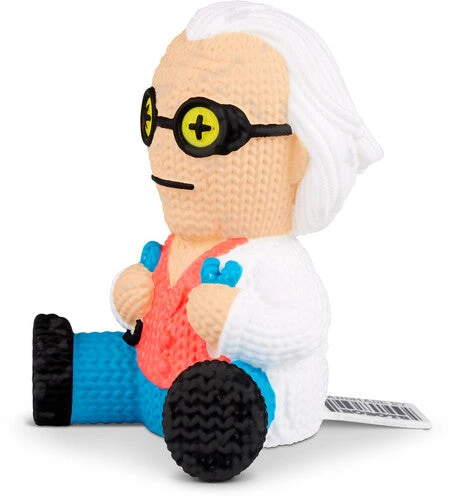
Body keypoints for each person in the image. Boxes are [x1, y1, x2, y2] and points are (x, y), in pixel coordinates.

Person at [33, 1, 383, 482]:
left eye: (201, 128)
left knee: (230, 388)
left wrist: (238, 323)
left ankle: (216, 429)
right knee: (114, 362)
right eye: (154, 118)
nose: (163, 150)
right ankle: (70, 378)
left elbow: (305, 326)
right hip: (148, 373)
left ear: (295, 156)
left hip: (238, 386)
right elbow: (147, 312)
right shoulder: (177, 242)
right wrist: (131, 296)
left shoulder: (275, 260)